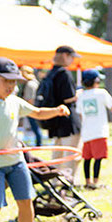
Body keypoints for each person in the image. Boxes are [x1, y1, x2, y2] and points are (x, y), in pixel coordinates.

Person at [0, 58, 70, 222]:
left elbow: (38, 113)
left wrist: (56, 110)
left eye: (14, 81)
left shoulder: (14, 101)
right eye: (6, 81)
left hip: (15, 160)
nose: (11, 85)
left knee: (25, 201)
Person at [75, 70, 112, 190]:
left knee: (87, 158)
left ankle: (87, 181)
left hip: (86, 132)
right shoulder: (101, 93)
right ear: (96, 81)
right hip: (99, 131)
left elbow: (80, 113)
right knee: (98, 158)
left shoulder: (81, 95)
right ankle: (95, 182)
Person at [43, 46, 81, 180]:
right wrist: (78, 94)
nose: (72, 60)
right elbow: (68, 98)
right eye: (71, 57)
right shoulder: (64, 73)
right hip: (68, 121)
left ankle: (54, 182)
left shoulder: (50, 73)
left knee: (57, 155)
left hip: (54, 120)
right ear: (65, 55)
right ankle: (67, 184)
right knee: (71, 155)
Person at [20, 66, 42, 146]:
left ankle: (39, 144)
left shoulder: (30, 84)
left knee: (35, 129)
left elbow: (30, 99)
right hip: (34, 108)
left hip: (31, 109)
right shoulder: (34, 82)